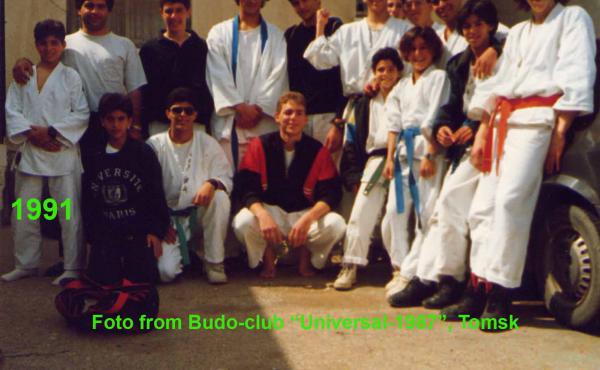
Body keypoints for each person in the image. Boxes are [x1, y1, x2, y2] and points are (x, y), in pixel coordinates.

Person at [449, 0, 596, 331]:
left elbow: (577, 71)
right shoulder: (517, 33)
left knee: (510, 201)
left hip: (538, 122)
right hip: (504, 121)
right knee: (482, 207)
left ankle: (502, 294)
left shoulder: (573, 18)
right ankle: (478, 286)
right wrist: (483, 131)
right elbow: (499, 85)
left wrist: (560, 131)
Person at [404, 0, 504, 309]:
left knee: (468, 210)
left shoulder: (505, 53)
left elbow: (501, 95)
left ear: (490, 26)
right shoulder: (458, 63)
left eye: (479, 24)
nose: (473, 31)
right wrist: (442, 130)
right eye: (467, 26)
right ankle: (448, 280)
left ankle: (471, 288)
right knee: (447, 210)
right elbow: (449, 107)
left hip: (497, 140)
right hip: (463, 148)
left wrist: (474, 126)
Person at [2, 20, 89, 285]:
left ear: (63, 45)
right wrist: (33, 135)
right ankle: (26, 263)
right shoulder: (23, 75)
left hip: (61, 151)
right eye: (43, 43)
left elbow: (81, 114)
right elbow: (12, 110)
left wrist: (51, 133)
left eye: (54, 43)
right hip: (31, 151)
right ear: (36, 45)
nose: (49, 48)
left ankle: (73, 267)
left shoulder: (71, 77)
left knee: (68, 213)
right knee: (24, 212)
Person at [13, 0, 147, 158]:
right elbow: (44, 66)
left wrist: (135, 126)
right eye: (89, 6)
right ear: (78, 9)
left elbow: (134, 89)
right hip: (75, 124)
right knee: (81, 177)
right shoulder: (65, 44)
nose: (95, 11)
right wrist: (22, 62)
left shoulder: (124, 45)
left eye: (100, 6)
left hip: (113, 123)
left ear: (109, 10)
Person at [232, 92, 346, 278]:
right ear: (277, 117)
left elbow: (331, 193)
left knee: (337, 224)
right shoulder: (260, 145)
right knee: (242, 222)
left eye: (299, 113)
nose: (293, 118)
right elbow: (246, 188)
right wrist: (262, 215)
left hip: (303, 214)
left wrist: (308, 219)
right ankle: (266, 258)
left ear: (305, 119)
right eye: (288, 112)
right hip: (271, 212)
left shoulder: (317, 150)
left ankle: (307, 258)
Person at [381, 26, 450, 303]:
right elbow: (393, 123)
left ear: (433, 50)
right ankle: (400, 268)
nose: (419, 54)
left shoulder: (439, 78)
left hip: (427, 151)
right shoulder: (401, 84)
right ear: (406, 54)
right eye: (413, 50)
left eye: (424, 48)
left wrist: (432, 153)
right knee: (394, 211)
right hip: (401, 154)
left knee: (426, 215)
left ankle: (419, 272)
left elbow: (437, 115)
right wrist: (388, 158)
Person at [333, 48, 403, 290]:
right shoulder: (363, 103)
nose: (386, 74)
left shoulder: (407, 95)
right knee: (361, 210)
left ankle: (400, 268)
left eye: (391, 69)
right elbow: (350, 141)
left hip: (403, 157)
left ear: (399, 72)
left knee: (397, 213)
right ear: (373, 73)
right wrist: (352, 174)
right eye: (381, 69)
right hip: (375, 159)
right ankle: (350, 265)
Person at [148, 88, 233, 284]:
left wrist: (212, 183)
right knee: (165, 273)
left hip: (200, 215)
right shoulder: (154, 145)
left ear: (195, 115)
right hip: (168, 220)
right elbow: (145, 191)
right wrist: (158, 224)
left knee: (219, 197)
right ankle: (188, 258)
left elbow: (226, 178)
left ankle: (214, 262)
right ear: (168, 113)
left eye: (188, 111)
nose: (183, 115)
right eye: (177, 110)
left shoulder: (208, 143)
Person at [82, 93, 169, 285]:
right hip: (107, 233)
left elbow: (155, 196)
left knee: (142, 281)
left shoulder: (143, 153)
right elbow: (88, 201)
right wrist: (93, 238)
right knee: (103, 282)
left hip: (136, 233)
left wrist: (155, 231)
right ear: (102, 122)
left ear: (130, 121)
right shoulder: (93, 155)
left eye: (121, 119)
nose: (116, 125)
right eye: (110, 119)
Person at [206, 0, 288, 170]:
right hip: (230, 122)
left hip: (263, 123)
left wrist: (258, 108)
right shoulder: (219, 33)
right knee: (227, 181)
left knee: (263, 182)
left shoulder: (276, 35)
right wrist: (240, 107)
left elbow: (277, 76)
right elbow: (217, 73)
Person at [140, 0, 214, 137]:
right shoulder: (149, 50)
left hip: (195, 124)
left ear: (188, 12)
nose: (174, 16)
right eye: (169, 11)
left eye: (179, 10)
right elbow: (144, 92)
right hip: (160, 125)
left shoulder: (202, 47)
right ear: (161, 13)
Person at [285, 0, 345, 159]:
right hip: (301, 119)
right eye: (296, 3)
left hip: (329, 117)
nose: (302, 7)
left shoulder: (336, 29)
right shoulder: (291, 35)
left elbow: (345, 79)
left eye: (305, 1)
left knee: (330, 177)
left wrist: (338, 123)